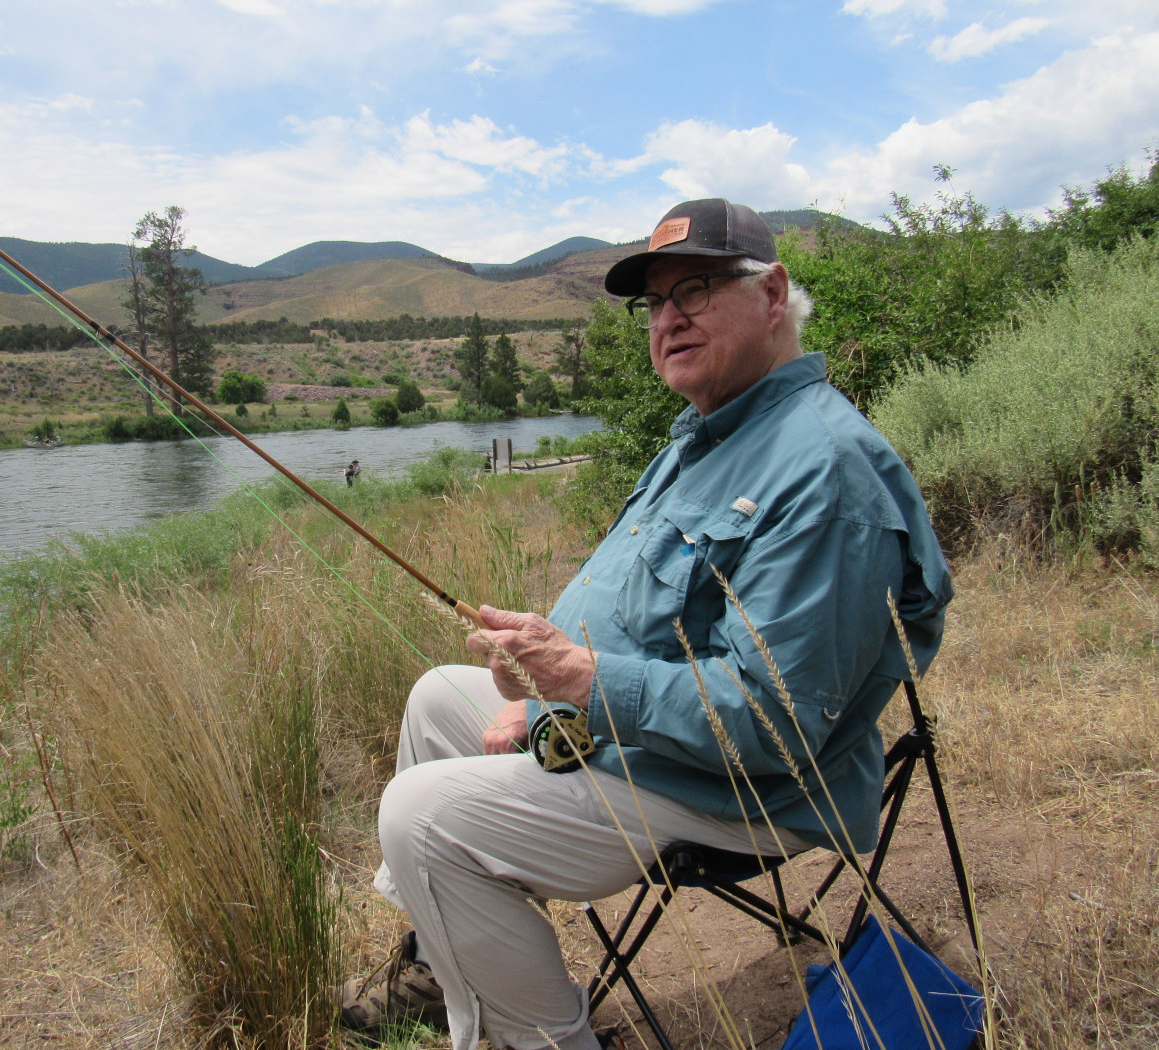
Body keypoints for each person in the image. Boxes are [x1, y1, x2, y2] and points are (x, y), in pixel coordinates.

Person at [339, 199, 953, 1050]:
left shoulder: (825, 472)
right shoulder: (703, 435)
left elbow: (773, 726)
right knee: (435, 698)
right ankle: (444, 963)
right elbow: (645, 611)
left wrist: (580, 685)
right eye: (654, 304)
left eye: (695, 290)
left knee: (419, 812)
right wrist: (538, 662)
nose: (669, 319)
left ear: (772, 293)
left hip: (736, 791)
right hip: (644, 739)